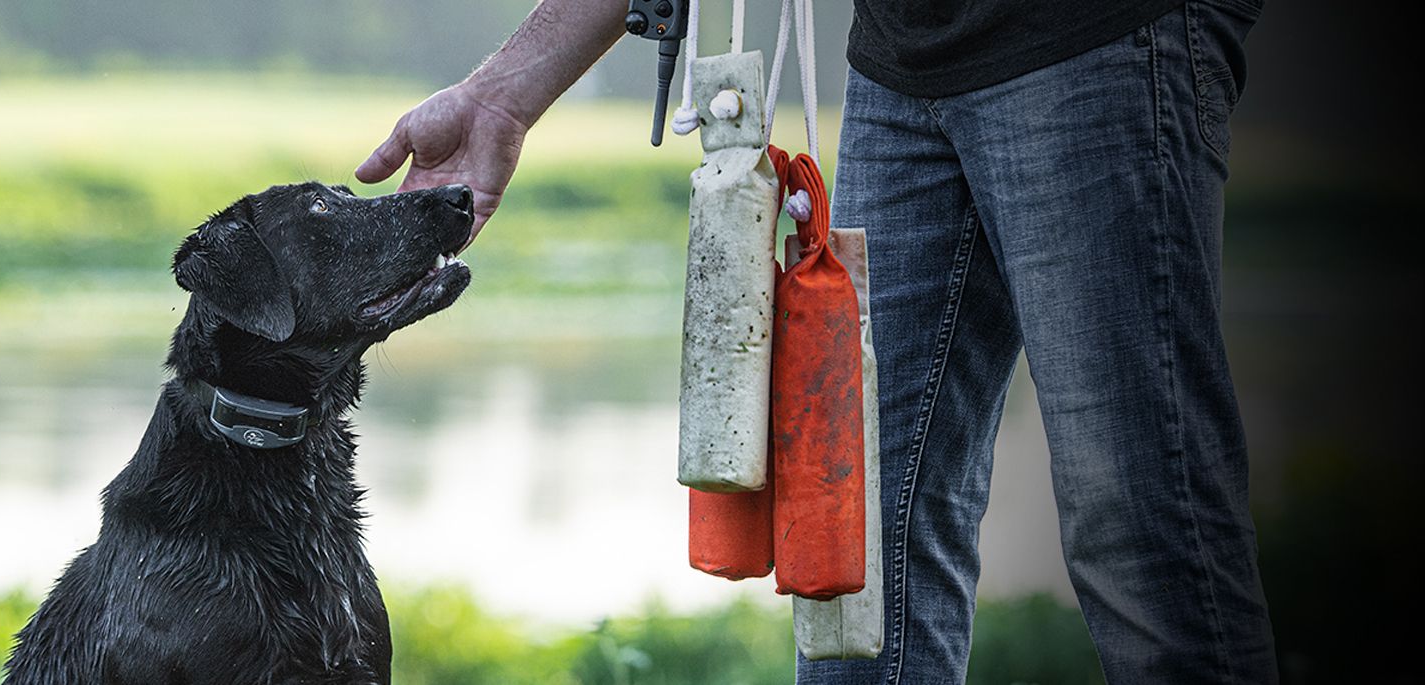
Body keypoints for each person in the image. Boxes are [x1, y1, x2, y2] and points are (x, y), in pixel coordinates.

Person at [356, 0, 1277, 682]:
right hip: (904, 57)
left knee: (1141, 524)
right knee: (848, 543)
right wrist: (501, 100)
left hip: (1096, 38)